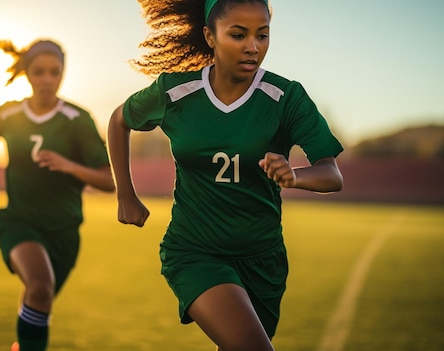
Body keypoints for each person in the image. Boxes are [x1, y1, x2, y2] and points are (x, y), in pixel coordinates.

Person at [107, 0, 344, 350]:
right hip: (195, 252)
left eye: (262, 35)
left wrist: (295, 175)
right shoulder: (175, 92)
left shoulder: (286, 97)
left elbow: (332, 174)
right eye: (238, 34)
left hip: (264, 259)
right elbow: (119, 120)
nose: (253, 46)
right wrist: (125, 195)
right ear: (210, 36)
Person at [0, 38, 114, 351]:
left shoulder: (77, 119)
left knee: (38, 298)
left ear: (62, 74)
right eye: (39, 72)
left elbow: (107, 181)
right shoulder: (7, 114)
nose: (47, 79)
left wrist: (68, 165)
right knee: (40, 286)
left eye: (54, 72)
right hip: (19, 221)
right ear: (28, 74)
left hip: (64, 231)